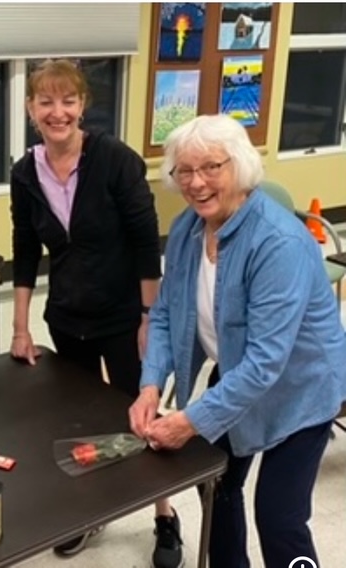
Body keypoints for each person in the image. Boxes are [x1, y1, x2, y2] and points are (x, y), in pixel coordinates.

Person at [129, 114, 346, 567]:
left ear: (241, 167)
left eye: (211, 167)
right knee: (217, 486)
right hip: (239, 375)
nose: (197, 182)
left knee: (279, 517)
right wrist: (151, 385)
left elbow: (267, 361)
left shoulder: (277, 241)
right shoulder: (190, 230)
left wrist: (189, 421)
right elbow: (167, 314)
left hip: (301, 388)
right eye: (184, 171)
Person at [10, 59, 182, 568]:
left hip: (124, 315)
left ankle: (164, 516)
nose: (57, 111)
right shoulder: (25, 173)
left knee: (141, 417)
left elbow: (144, 241)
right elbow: (24, 251)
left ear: (82, 106)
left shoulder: (115, 160)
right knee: (81, 422)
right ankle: (91, 513)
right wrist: (20, 328)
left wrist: (152, 317)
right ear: (30, 109)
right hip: (67, 318)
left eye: (68, 101)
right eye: (46, 101)